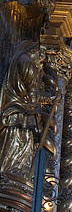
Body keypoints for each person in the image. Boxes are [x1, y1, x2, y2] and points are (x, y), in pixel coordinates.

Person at [0, 41, 43, 176]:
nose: (40, 59)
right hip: (20, 112)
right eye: (39, 55)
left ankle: (14, 174)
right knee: (21, 142)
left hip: (18, 110)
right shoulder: (27, 63)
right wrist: (37, 105)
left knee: (20, 143)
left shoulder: (18, 62)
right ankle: (12, 174)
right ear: (33, 51)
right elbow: (31, 91)